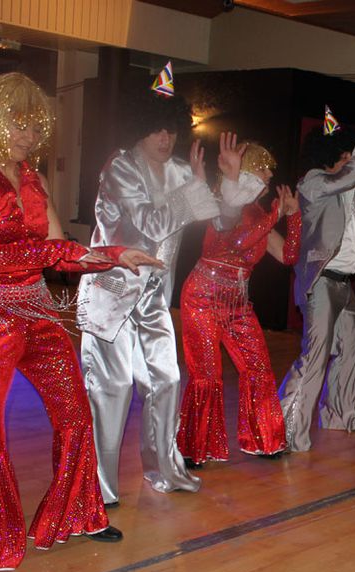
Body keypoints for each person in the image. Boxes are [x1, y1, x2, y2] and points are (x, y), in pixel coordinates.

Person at [0, 73, 159, 572]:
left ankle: (77, 514)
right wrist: (55, 253)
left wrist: (115, 254)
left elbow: (61, 245)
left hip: (38, 311)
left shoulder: (33, 179)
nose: (26, 134)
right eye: (16, 121)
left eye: (34, 124)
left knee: (75, 414)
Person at [77, 78, 254, 505]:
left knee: (167, 380)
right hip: (112, 295)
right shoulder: (119, 166)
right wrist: (195, 189)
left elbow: (222, 225)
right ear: (139, 128)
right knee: (113, 388)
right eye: (157, 129)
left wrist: (232, 183)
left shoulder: (179, 170)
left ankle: (164, 470)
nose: (164, 138)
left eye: (171, 129)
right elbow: (150, 225)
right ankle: (98, 488)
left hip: (153, 299)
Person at [176, 145, 302, 464]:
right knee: (207, 374)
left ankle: (264, 439)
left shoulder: (260, 214)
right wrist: (278, 213)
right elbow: (236, 241)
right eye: (264, 168)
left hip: (238, 303)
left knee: (258, 367)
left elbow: (287, 255)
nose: (270, 175)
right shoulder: (225, 205)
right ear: (245, 171)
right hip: (203, 296)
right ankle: (195, 448)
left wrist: (295, 216)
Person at [277, 117, 355, 452]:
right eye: (342, 155)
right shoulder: (312, 182)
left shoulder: (344, 187)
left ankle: (339, 414)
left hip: (343, 283)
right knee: (315, 356)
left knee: (352, 347)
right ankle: (287, 426)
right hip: (321, 282)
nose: (346, 160)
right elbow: (350, 174)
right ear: (328, 156)